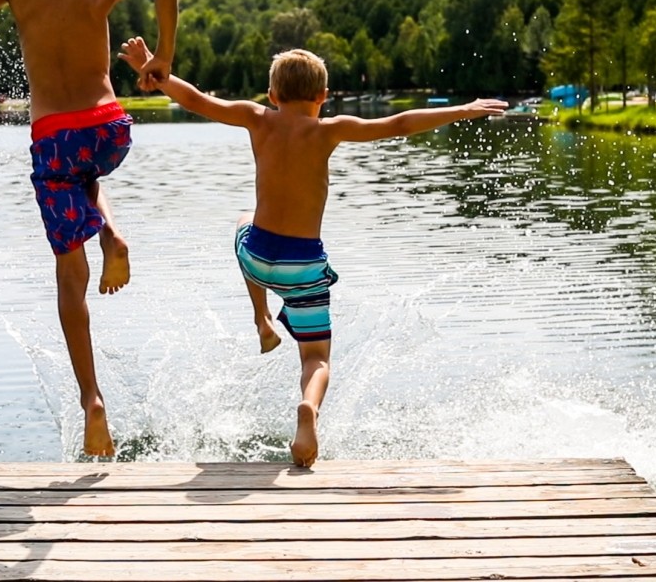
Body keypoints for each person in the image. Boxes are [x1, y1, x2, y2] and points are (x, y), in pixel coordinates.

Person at [119, 37, 507, 467]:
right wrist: (463, 109)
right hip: (303, 267)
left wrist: (155, 70)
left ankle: (262, 318)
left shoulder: (256, 117)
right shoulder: (329, 129)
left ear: (272, 95)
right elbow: (399, 123)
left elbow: (195, 99)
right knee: (317, 357)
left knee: (241, 224)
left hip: (259, 259)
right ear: (323, 96)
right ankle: (309, 409)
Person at [0, 0, 178, 457]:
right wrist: (163, 55)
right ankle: (111, 233)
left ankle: (92, 399)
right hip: (109, 127)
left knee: (70, 278)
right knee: (87, 172)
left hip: (53, 136)